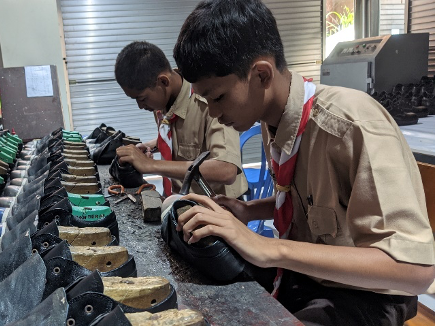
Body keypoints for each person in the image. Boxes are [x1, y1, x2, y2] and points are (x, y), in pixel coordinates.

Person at [172, 0, 435, 325]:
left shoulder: (351, 126)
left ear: (261, 74)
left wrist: (269, 249)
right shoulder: (276, 123)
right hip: (307, 273)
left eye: (218, 97)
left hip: (367, 293)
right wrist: (249, 211)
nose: (213, 113)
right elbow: (309, 203)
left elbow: (415, 271)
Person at [114, 41, 247, 199]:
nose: (140, 106)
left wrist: (151, 165)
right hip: (178, 199)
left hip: (216, 207)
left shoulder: (210, 102)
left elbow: (226, 170)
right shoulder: (162, 102)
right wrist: (153, 146)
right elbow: (180, 139)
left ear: (163, 81)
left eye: (142, 98)